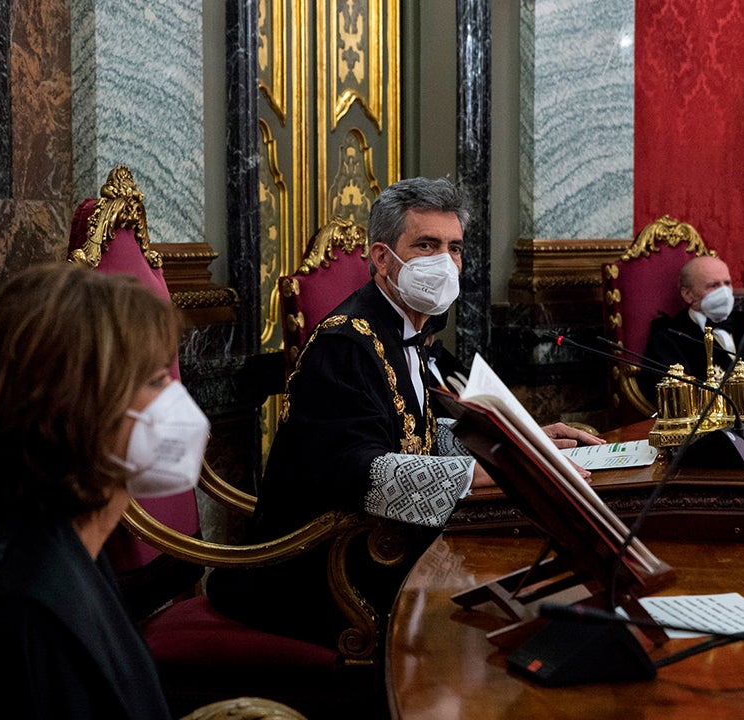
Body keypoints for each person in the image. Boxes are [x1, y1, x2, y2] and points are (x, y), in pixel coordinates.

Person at [207, 176, 601, 646]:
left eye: (454, 248)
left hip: (382, 541)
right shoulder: (345, 343)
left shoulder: (408, 327)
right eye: (426, 245)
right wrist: (492, 470)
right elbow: (356, 471)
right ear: (381, 258)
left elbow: (415, 432)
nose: (446, 262)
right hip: (324, 569)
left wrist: (519, 440)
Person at [0, 263, 209, 719]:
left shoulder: (65, 539)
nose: (178, 403)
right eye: (156, 381)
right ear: (78, 406)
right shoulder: (20, 607)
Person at [642, 255, 744, 403]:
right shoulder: (670, 336)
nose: (724, 292)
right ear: (688, 294)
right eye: (713, 285)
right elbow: (675, 395)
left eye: (727, 283)